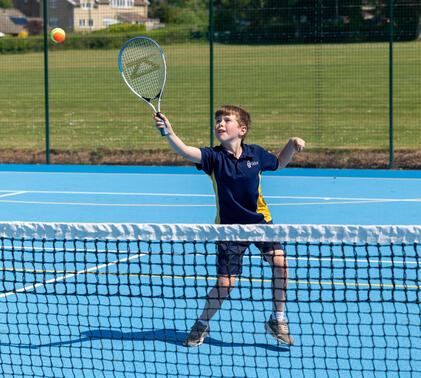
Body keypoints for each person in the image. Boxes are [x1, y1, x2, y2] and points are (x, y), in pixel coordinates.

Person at [153, 105, 305, 347]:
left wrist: (291, 144)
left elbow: (278, 163)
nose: (220, 124)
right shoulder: (213, 158)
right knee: (225, 284)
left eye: (226, 120)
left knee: (281, 264)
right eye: (217, 121)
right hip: (228, 229)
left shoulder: (255, 154)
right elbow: (184, 150)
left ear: (242, 130)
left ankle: (277, 319)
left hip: (260, 222)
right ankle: (201, 324)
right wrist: (169, 132)